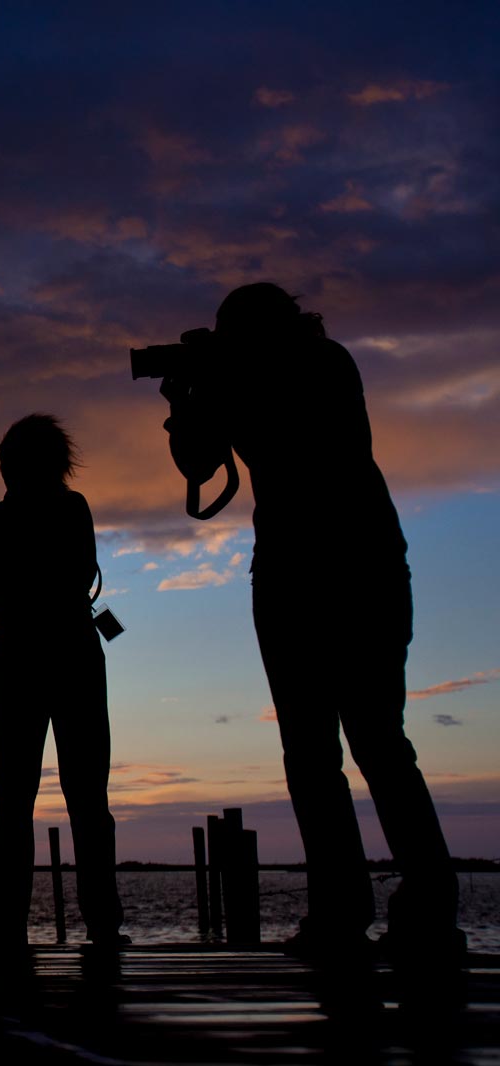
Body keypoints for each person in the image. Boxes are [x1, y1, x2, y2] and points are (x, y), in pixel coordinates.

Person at [159, 283, 462, 963]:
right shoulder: (242, 379)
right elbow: (197, 466)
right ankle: (345, 907)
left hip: (353, 568)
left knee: (374, 741)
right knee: (313, 753)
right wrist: (186, 401)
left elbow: (291, 425)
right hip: (301, 573)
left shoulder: (323, 363)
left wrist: (219, 377)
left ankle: (424, 903)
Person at [0, 415, 124, 949]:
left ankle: (5, 924)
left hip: (18, 655)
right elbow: (78, 575)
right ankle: (102, 923)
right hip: (72, 651)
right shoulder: (71, 509)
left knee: (15, 794)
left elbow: (2, 585)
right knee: (82, 792)